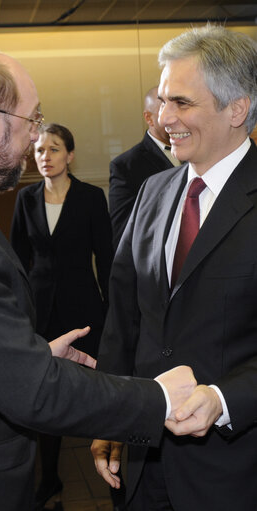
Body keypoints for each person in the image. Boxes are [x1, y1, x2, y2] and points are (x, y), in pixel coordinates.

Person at [0, 48, 197, 511]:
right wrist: (158, 399)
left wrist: (25, 356)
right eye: (33, 120)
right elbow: (36, 392)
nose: (35, 137)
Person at [92, 24, 257, 511]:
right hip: (142, 467)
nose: (164, 119)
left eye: (181, 103)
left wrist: (225, 399)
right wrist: (110, 418)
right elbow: (124, 322)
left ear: (237, 109)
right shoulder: (154, 192)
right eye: (163, 102)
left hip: (233, 473)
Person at [10, 123, 113, 509]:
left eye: (53, 150)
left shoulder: (90, 198)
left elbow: (105, 257)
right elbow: (17, 259)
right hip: (41, 311)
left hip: (85, 307)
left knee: (98, 390)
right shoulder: (26, 198)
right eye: (39, 151)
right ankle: (50, 477)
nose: (45, 157)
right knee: (45, 392)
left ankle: (109, 462)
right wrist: (19, 310)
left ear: (69, 155)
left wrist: (111, 310)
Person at [109, 86, 180, 249]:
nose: (174, 120)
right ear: (148, 118)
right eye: (164, 111)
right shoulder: (126, 166)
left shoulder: (196, 153)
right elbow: (122, 233)